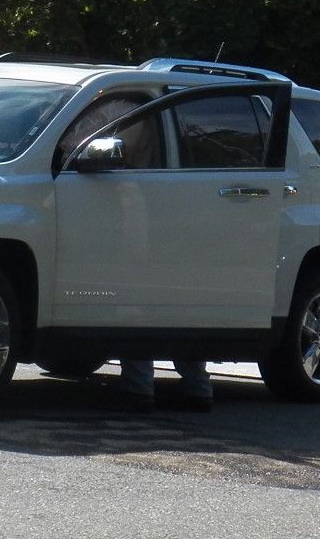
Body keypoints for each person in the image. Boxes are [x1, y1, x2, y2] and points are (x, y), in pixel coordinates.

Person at [57, 92, 215, 414]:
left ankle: (139, 385)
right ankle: (196, 384)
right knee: (175, 302)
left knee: (133, 297)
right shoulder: (136, 106)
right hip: (164, 208)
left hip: (130, 206)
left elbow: (72, 145)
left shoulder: (123, 109)